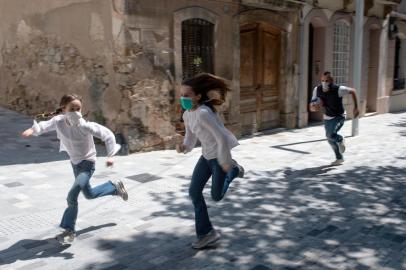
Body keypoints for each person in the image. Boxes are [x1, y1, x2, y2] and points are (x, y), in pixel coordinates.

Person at [21, 94, 128, 244]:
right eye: (72, 109)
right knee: (89, 194)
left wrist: (110, 155)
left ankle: (68, 230)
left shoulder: (84, 125)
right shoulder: (58, 121)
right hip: (75, 164)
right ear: (64, 109)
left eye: (78, 109)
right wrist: (32, 130)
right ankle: (114, 188)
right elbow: (44, 126)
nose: (76, 112)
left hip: (87, 163)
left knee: (72, 195)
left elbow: (108, 135)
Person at [176, 73, 244, 249]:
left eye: (187, 95)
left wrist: (224, 161)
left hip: (219, 157)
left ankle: (234, 170)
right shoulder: (187, 115)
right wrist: (184, 146)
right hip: (206, 157)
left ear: (197, 96)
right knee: (194, 192)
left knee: (216, 196)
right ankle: (206, 234)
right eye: (181, 95)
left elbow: (221, 137)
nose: (183, 98)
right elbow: (190, 136)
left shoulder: (204, 113)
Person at [309, 71, 359, 165]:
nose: (324, 82)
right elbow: (312, 104)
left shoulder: (339, 89)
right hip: (327, 117)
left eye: (327, 80)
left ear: (331, 81)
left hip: (339, 116)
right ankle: (339, 158)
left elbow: (353, 91)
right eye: (322, 80)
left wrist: (356, 107)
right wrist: (313, 107)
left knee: (331, 135)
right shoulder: (317, 89)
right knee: (329, 139)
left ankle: (340, 139)